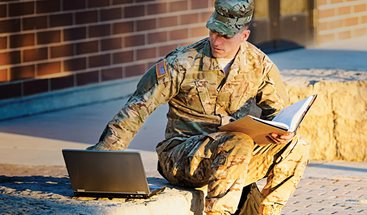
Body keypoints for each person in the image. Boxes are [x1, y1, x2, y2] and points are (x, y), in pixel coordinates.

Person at [87, 0, 310, 214]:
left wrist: (282, 133)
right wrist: (101, 156)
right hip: (182, 157)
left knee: (297, 145)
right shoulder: (182, 62)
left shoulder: (259, 65)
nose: (217, 41)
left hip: (233, 157)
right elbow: (138, 107)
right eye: (213, 31)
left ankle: (267, 212)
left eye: (225, 35)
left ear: (244, 35)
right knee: (238, 142)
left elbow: (278, 114)